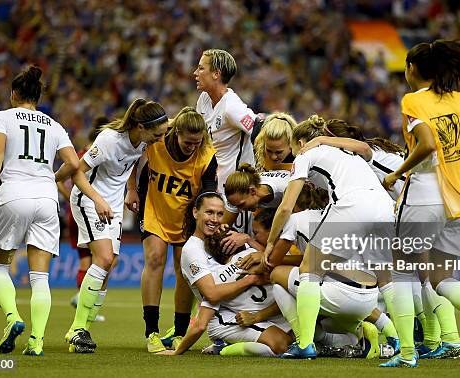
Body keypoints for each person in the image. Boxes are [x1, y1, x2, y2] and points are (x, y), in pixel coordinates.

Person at [379, 40, 460, 368]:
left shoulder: (413, 100)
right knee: (441, 277)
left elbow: (428, 145)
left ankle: (406, 355)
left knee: (400, 271)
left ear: (413, 69)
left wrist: (395, 176)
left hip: (423, 198)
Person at [298, 122, 447, 356]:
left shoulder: (361, 154)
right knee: (410, 277)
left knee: (407, 277)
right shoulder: (372, 154)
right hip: (423, 206)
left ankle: (432, 338)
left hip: (413, 208)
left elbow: (390, 172)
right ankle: (431, 339)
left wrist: (320, 141)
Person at [261, 115, 396, 359]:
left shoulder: (305, 154)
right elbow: (365, 148)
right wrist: (323, 138)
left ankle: (306, 343)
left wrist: (270, 242)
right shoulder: (346, 152)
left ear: (300, 142)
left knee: (309, 270)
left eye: (292, 149)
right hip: (386, 208)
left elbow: (285, 208)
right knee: (384, 278)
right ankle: (402, 343)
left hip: (352, 206)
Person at [0, 65, 79, 356]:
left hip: (13, 194)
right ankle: (37, 341)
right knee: (41, 278)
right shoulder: (53, 125)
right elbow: (74, 163)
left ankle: (13, 317)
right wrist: (51, 178)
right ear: (38, 97)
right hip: (47, 199)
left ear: (14, 94)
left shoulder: (2, 117)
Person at [65, 98, 169, 353]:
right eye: (156, 135)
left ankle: (84, 331)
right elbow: (77, 172)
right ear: (141, 127)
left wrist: (131, 190)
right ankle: (76, 329)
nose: (159, 139)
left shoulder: (144, 139)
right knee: (103, 258)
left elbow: (132, 163)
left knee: (109, 265)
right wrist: (98, 200)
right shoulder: (109, 140)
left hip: (113, 203)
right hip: (89, 198)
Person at [129, 106, 217, 352]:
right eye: (188, 142)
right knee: (155, 259)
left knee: (184, 270)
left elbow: (209, 191)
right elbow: (129, 156)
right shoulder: (155, 142)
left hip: (187, 219)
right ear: (175, 132)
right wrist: (132, 189)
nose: (193, 147)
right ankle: (152, 332)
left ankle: (180, 331)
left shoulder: (207, 156)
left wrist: (208, 219)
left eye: (197, 142)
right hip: (155, 211)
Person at [159, 227, 293, 357]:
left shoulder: (218, 278)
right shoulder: (260, 255)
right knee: (287, 346)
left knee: (291, 344)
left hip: (269, 315)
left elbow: (200, 325)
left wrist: (177, 351)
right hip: (263, 316)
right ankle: (225, 349)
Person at [193, 48, 262, 233]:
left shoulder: (232, 107)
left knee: (231, 246)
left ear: (216, 74)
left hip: (234, 193)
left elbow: (259, 127)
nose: (195, 73)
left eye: (201, 68)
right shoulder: (204, 99)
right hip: (213, 186)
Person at [57, 116, 107, 322]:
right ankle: (84, 300)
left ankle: (82, 298)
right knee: (96, 259)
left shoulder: (80, 153)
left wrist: (70, 200)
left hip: (78, 211)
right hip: (87, 211)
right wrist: (71, 199)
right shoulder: (90, 155)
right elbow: (61, 179)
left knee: (86, 258)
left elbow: (60, 179)